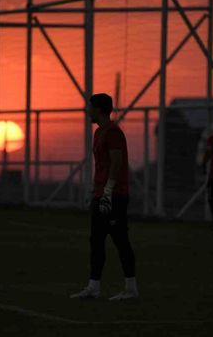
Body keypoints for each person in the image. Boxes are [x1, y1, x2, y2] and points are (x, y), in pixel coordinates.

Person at [70, 93, 138, 301]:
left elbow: (116, 163)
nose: (87, 111)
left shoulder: (113, 132)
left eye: (90, 107)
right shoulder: (98, 132)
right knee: (96, 240)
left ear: (98, 109)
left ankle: (131, 289)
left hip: (114, 195)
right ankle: (94, 287)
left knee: (120, 240)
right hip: (102, 194)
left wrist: (108, 191)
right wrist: (97, 192)